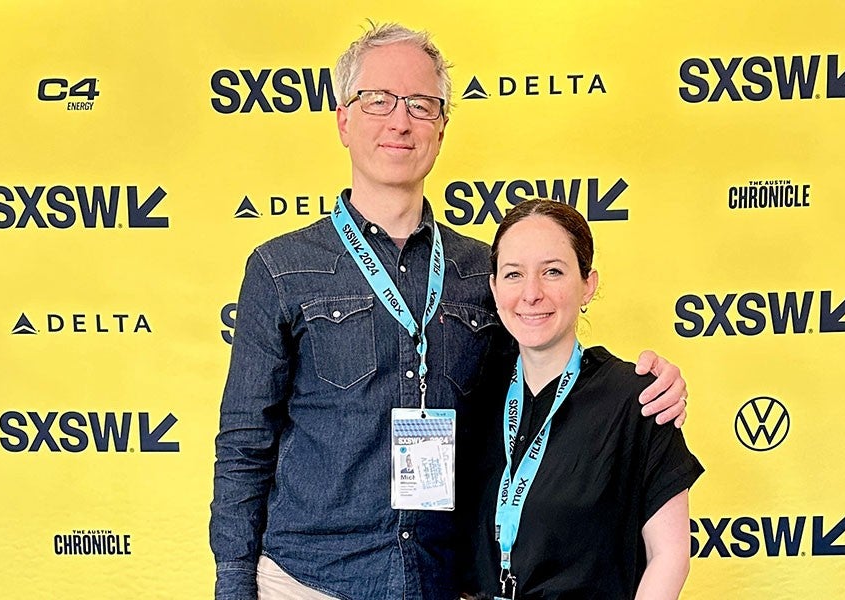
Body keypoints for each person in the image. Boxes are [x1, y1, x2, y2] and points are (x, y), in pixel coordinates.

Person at [210, 22, 689, 600]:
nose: (400, 120)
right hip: (309, 582)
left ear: (441, 126)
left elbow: (546, 382)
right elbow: (243, 446)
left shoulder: (482, 271)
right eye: (378, 100)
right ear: (343, 119)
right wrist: (233, 589)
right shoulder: (280, 268)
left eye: (421, 103)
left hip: (438, 580)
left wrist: (650, 386)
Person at [463, 199, 704, 600]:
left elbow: (671, 554)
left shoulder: (637, 398)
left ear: (587, 284)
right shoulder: (474, 397)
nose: (531, 293)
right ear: (493, 287)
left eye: (552, 272)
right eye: (513, 274)